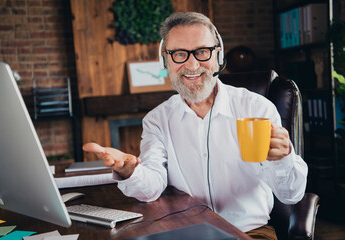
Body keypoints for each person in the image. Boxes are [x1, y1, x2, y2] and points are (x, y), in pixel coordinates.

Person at [83, 12, 308, 240]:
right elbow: (151, 188)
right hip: (183, 232)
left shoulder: (258, 109)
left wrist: (283, 158)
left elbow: (291, 194)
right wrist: (129, 170)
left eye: (202, 52)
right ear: (166, 61)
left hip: (249, 232)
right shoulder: (157, 119)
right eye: (179, 54)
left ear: (218, 56)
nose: (192, 65)